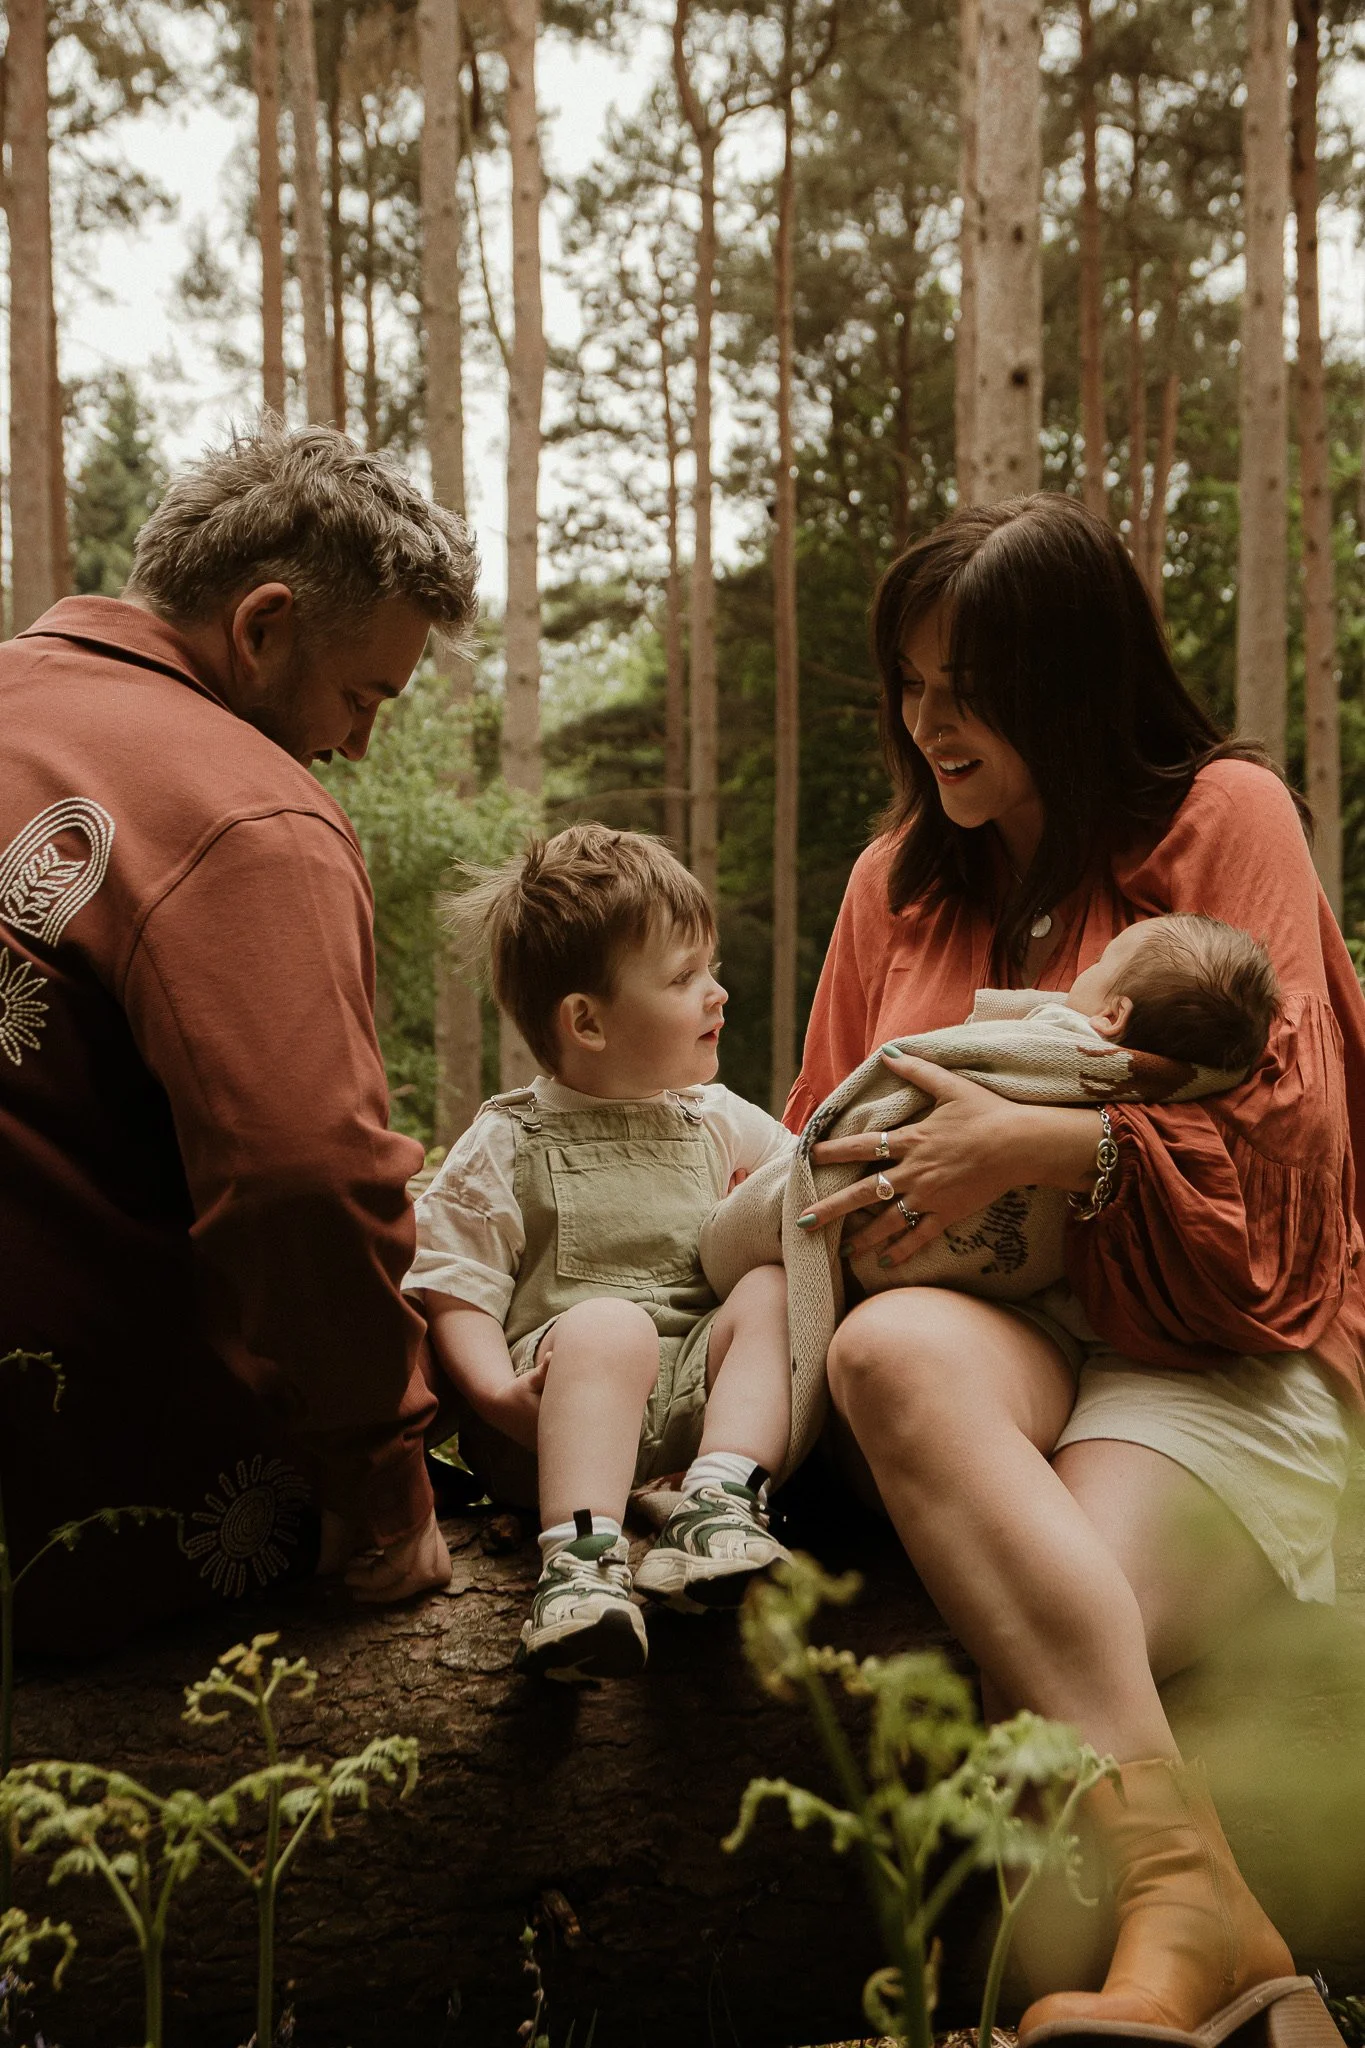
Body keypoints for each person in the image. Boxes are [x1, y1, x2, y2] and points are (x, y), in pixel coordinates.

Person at [787, 496, 1362, 2046]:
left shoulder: (1226, 819)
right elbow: (817, 1139)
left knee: (1063, 1610)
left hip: (1215, 1351)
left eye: (972, 686)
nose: (933, 723)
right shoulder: (893, 883)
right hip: (1007, 1334)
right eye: (912, 685)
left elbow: (1290, 1152)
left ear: (1077, 679)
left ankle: (1173, 1958)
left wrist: (1044, 1151)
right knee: (886, 1355)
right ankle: (1223, 1945)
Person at [0, 418, 475, 1651]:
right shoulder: (248, 807)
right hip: (83, 1529)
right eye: (362, 694)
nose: (360, 746)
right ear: (262, 627)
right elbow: (300, 1174)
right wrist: (385, 1485)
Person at [406, 824, 795, 1682]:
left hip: (692, 1399)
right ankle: (580, 1566)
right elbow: (455, 1283)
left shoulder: (714, 1116)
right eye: (684, 978)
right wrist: (493, 1394)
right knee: (610, 1326)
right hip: (555, 1416)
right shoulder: (507, 1138)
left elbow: (797, 1186)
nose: (717, 995)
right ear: (585, 1021)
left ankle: (719, 1499)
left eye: (712, 970)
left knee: (770, 1288)